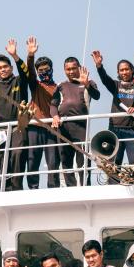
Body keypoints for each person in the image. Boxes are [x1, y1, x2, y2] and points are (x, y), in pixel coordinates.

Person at [91, 50, 134, 182]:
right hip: (114, 129)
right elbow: (104, 79)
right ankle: (112, 185)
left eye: (126, 69)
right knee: (114, 161)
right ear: (118, 72)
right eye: (121, 70)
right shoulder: (115, 85)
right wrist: (99, 66)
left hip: (131, 129)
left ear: (132, 70)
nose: (124, 72)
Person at [0, 39, 30, 191]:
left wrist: (15, 55)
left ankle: (16, 188)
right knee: (3, 159)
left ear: (11, 68)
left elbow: (26, 74)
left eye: (5, 66)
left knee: (18, 154)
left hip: (18, 126)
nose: (3, 69)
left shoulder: (19, 81)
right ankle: (4, 188)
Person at [51, 57, 100, 187]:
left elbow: (97, 96)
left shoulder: (88, 83)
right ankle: (71, 187)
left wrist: (86, 84)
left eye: (73, 68)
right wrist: (55, 116)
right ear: (64, 70)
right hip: (63, 127)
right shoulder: (61, 86)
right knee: (65, 160)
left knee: (83, 159)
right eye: (68, 69)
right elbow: (53, 105)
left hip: (81, 127)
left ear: (79, 68)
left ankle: (85, 186)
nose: (71, 71)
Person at [25, 36, 61, 190]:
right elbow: (30, 73)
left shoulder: (59, 88)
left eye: (46, 70)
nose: (44, 73)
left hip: (52, 128)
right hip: (35, 126)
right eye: (41, 71)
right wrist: (30, 55)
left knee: (53, 161)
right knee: (32, 159)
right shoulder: (36, 85)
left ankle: (53, 189)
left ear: (52, 69)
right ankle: (33, 189)